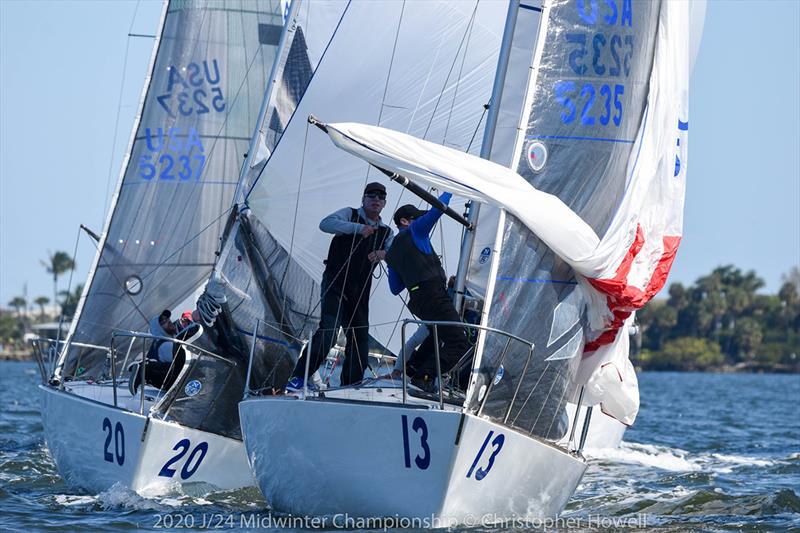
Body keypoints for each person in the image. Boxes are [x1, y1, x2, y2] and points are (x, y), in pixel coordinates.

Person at [286, 182, 393, 390]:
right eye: (371, 195)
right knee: (329, 332)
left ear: (384, 203)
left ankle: (350, 388)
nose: (376, 199)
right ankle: (298, 378)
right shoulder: (350, 214)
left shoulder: (387, 233)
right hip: (335, 284)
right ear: (363, 199)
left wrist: (384, 254)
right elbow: (325, 224)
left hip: (360, 291)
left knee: (360, 338)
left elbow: (395, 256)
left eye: (381, 197)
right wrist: (358, 228)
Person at [386, 192, 469, 388]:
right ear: (405, 221)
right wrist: (449, 188)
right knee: (458, 343)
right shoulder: (415, 230)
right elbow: (438, 208)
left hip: (418, 301)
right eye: (418, 218)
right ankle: (423, 377)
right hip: (434, 295)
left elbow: (395, 288)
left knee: (436, 337)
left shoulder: (390, 254)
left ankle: (412, 370)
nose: (423, 221)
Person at [128, 309, 202, 395]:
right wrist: (203, 358)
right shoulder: (165, 345)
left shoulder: (160, 343)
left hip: (164, 382)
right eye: (163, 322)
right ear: (157, 329)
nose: (168, 321)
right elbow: (185, 356)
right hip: (167, 381)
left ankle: (143, 369)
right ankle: (143, 369)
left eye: (167, 319)